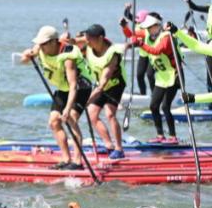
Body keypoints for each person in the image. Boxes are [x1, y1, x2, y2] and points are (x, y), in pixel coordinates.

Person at [20, 25, 94, 169]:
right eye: (40, 43)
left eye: (44, 43)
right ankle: (66, 159)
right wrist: (27, 54)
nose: (41, 46)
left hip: (80, 88)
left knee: (71, 119)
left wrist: (67, 109)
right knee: (54, 122)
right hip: (62, 89)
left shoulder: (67, 56)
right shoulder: (40, 47)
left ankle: (77, 162)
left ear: (54, 42)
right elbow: (24, 59)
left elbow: (73, 85)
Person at [123, 14, 180, 143]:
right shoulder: (147, 34)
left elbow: (157, 51)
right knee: (153, 106)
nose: (148, 30)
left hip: (174, 76)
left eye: (150, 27)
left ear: (157, 26)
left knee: (165, 107)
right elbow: (131, 34)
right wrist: (124, 27)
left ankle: (173, 136)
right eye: (147, 28)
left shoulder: (166, 37)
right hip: (161, 78)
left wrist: (140, 44)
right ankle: (160, 135)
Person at [80, 24, 127, 159]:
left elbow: (102, 84)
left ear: (100, 38)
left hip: (115, 84)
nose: (87, 41)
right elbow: (71, 42)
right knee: (92, 115)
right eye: (86, 38)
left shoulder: (112, 54)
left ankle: (119, 149)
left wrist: (85, 101)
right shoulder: (88, 45)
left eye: (90, 38)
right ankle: (109, 146)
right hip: (99, 84)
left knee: (110, 114)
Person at [121, 5, 158, 95]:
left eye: (139, 22)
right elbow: (127, 15)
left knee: (150, 75)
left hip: (152, 55)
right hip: (143, 54)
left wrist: (129, 45)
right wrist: (127, 9)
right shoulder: (137, 21)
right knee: (139, 75)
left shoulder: (148, 29)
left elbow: (138, 43)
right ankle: (143, 95)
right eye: (137, 21)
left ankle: (155, 95)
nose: (137, 23)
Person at [183, 0, 212, 92]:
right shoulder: (209, 8)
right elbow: (194, 7)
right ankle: (210, 97)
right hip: (209, 44)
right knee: (210, 73)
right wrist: (189, 1)